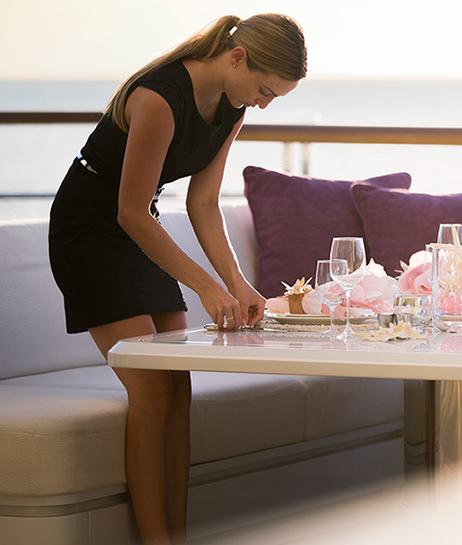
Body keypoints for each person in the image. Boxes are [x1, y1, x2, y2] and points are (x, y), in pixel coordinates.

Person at [48, 14, 306, 545]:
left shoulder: (231, 109)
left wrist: (237, 283)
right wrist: (204, 286)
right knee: (151, 393)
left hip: (141, 228)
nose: (264, 104)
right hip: (90, 235)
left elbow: (205, 202)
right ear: (237, 58)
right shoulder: (158, 98)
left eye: (275, 97)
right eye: (264, 90)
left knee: (178, 387)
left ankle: (178, 534)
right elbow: (129, 211)